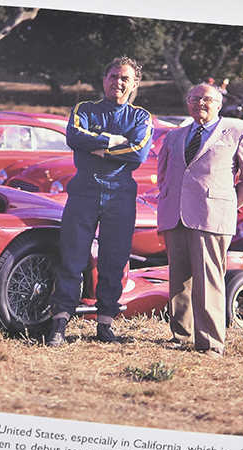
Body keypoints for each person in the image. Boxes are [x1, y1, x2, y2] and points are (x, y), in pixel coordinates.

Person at [46, 56, 153, 346]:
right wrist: (116, 141)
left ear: (134, 85)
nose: (118, 82)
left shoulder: (140, 117)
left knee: (114, 260)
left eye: (125, 78)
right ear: (103, 80)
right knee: (72, 257)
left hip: (121, 195)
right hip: (84, 191)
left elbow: (139, 153)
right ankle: (59, 323)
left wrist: (99, 148)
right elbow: (74, 136)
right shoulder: (85, 109)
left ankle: (105, 324)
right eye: (114, 76)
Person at [156, 82, 243, 357]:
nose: (199, 103)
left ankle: (211, 342)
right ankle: (180, 334)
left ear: (219, 104)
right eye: (193, 99)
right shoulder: (174, 136)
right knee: (178, 278)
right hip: (175, 215)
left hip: (212, 217)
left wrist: (228, 204)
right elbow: (163, 177)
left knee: (209, 279)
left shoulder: (237, 132)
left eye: (206, 99)